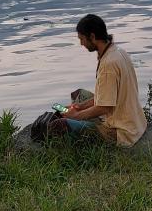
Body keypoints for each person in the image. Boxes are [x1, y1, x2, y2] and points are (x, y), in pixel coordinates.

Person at [61, 14, 147, 147]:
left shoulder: (108, 64)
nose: (81, 44)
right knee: (79, 95)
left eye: (82, 39)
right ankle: (77, 110)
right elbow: (107, 96)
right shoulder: (118, 51)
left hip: (121, 131)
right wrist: (80, 107)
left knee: (60, 125)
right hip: (136, 123)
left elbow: (104, 107)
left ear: (92, 37)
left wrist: (75, 117)